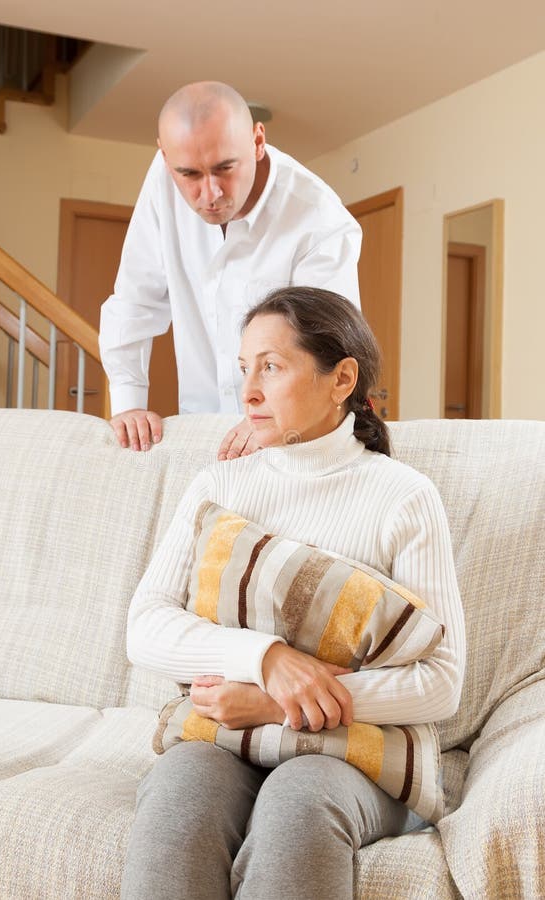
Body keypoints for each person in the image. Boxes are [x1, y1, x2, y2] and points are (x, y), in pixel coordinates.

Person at [121, 287, 466, 900]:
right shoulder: (219, 486)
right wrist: (266, 660)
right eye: (244, 369)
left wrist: (275, 704)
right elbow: (145, 625)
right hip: (227, 739)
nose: (248, 392)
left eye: (272, 368)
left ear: (342, 380)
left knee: (298, 803)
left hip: (355, 753)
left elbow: (441, 681)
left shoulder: (404, 497)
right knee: (179, 799)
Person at [99, 81, 362, 460]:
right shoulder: (162, 180)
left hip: (292, 439)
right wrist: (128, 404)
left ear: (257, 141)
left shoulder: (320, 220)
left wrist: (268, 416)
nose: (210, 194)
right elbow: (134, 300)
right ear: (166, 158)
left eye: (225, 168)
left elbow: (330, 349)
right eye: (189, 175)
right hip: (200, 428)